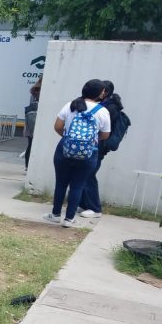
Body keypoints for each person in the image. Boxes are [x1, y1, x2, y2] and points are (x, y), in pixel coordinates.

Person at [43, 79, 110, 228]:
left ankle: (55, 215)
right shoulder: (103, 111)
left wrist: (70, 139)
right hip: (89, 152)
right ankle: (69, 219)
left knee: (61, 183)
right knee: (77, 185)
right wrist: (88, 140)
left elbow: (58, 126)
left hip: (64, 149)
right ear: (100, 93)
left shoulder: (70, 105)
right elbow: (105, 135)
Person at [78, 80, 125, 218]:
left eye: (102, 90)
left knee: (89, 175)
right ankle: (85, 204)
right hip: (95, 146)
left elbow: (103, 130)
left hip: (98, 147)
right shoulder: (105, 105)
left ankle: (95, 208)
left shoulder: (109, 108)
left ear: (106, 92)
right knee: (84, 174)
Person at [23, 85, 40, 171]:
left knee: (30, 144)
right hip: (38, 122)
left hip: (30, 122)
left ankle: (27, 166)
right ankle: (33, 166)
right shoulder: (43, 92)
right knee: (37, 146)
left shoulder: (34, 92)